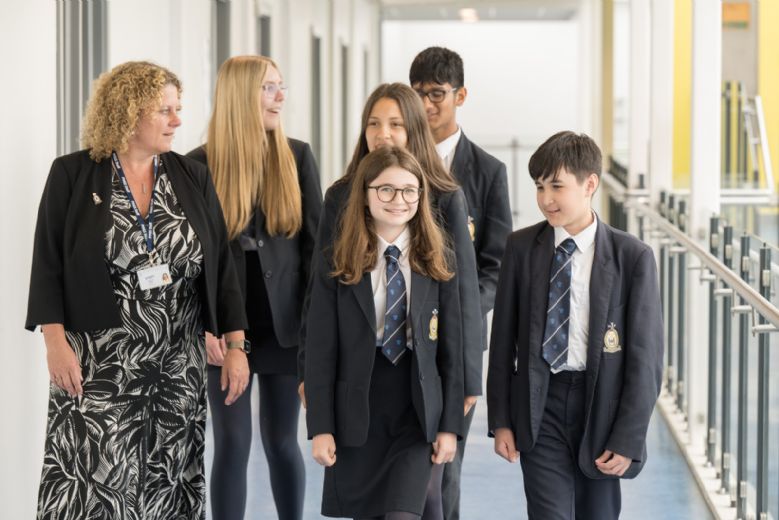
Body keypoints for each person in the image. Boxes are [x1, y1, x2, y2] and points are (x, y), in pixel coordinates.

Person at [26, 61, 250, 520]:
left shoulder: (192, 176)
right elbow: (47, 263)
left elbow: (222, 265)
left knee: (169, 480)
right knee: (98, 481)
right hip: (100, 358)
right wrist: (54, 342)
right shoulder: (73, 175)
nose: (177, 120)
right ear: (128, 114)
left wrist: (235, 344)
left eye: (178, 109)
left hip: (177, 360)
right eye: (164, 110)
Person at [297, 83, 482, 518]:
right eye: (374, 124)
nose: (383, 134)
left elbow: (461, 299)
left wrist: (468, 381)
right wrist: (310, 379)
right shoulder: (341, 195)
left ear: (414, 130)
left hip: (423, 379)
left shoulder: (445, 196)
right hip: (361, 383)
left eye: (396, 125)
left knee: (425, 495)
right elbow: (321, 302)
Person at [486, 131, 664, 519]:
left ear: (589, 184)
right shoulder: (520, 249)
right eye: (539, 187)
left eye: (556, 186)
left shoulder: (632, 257)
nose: (546, 199)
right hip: (540, 403)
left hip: (601, 405)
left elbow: (645, 359)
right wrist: (501, 420)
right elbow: (502, 344)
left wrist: (629, 437)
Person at [187, 55, 322, 520]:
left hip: (285, 326)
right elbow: (192, 262)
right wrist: (207, 327)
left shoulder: (297, 156)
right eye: (269, 88)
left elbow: (316, 251)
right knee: (232, 444)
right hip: (226, 331)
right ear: (241, 95)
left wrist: (312, 331)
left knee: (283, 442)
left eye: (281, 86)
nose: (281, 96)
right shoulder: (196, 166)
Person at [409, 46, 512, 520]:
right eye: (418, 95)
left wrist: (462, 309)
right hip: (399, 334)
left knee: (445, 465)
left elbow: (496, 264)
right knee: (398, 464)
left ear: (460, 95)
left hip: (458, 341)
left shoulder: (489, 173)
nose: (427, 105)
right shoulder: (392, 164)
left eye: (437, 94)